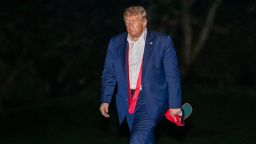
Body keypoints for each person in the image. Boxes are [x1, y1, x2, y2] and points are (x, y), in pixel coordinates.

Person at [99, 5, 182, 144]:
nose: (130, 25)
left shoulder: (162, 42)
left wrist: (175, 104)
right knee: (145, 139)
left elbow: (172, 76)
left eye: (134, 21)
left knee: (137, 139)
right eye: (127, 22)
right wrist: (105, 98)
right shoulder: (116, 43)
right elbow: (109, 72)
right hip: (128, 100)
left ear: (144, 22)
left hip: (151, 99)